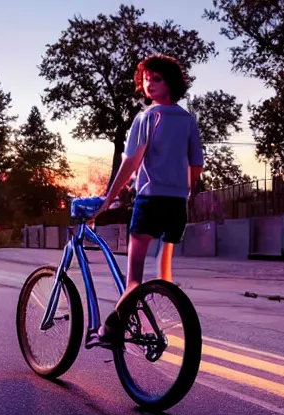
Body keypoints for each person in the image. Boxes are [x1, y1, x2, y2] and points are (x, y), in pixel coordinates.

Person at [90, 53, 204, 346]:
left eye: (156, 79)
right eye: (146, 79)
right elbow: (196, 166)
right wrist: (184, 190)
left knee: (134, 278)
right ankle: (166, 292)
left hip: (150, 202)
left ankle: (112, 329)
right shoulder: (188, 121)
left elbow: (130, 163)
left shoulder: (146, 117)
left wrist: (107, 200)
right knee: (163, 264)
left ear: (169, 84)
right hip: (178, 205)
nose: (149, 84)